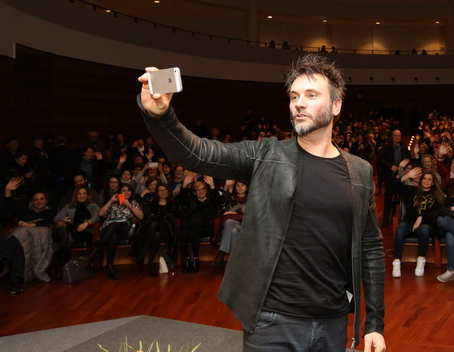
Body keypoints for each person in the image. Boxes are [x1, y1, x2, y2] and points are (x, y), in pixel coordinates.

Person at [137, 54, 385, 351]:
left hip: (333, 322)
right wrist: (161, 116)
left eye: (311, 95)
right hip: (273, 322)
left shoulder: (359, 171)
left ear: (336, 105)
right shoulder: (267, 155)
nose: (299, 103)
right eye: (294, 96)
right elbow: (198, 153)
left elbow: (370, 247)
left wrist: (374, 323)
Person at [391, 170, 442, 278]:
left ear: (433, 182)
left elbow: (437, 212)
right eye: (424, 178)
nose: (426, 181)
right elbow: (394, 186)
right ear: (421, 180)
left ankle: (421, 260)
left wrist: (421, 218)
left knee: (423, 229)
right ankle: (396, 262)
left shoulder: (437, 195)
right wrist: (406, 176)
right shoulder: (412, 190)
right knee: (400, 229)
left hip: (427, 224)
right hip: (409, 222)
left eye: (429, 179)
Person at [94, 183, 143, 280]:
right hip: (108, 229)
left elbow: (141, 216)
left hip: (124, 229)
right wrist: (111, 201)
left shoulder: (133, 203)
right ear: (119, 193)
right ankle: (110, 267)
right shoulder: (113, 203)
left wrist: (128, 205)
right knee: (113, 235)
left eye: (128, 190)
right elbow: (100, 214)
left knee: (115, 224)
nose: (126, 192)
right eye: (123, 190)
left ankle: (96, 250)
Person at [130, 183, 177, 277]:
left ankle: (142, 254)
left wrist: (155, 217)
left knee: (154, 224)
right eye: (161, 190)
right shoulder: (152, 203)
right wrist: (156, 217)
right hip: (152, 230)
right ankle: (150, 264)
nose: (163, 192)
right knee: (156, 235)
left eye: (165, 190)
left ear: (168, 191)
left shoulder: (172, 203)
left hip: (166, 229)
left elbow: (169, 218)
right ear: (157, 193)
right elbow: (147, 217)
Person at [178, 177, 221, 273]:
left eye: (202, 189)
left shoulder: (211, 201)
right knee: (183, 233)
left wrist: (212, 185)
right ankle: (187, 259)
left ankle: (196, 259)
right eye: (197, 190)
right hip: (190, 225)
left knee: (194, 232)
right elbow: (182, 198)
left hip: (206, 227)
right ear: (194, 192)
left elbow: (217, 200)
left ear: (206, 190)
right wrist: (184, 185)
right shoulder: (191, 201)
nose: (200, 191)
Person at [53, 186, 100, 271]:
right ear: (75, 195)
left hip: (84, 231)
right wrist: (63, 219)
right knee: (60, 224)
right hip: (70, 230)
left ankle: (64, 266)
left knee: (62, 240)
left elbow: (97, 216)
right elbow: (56, 219)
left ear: (88, 195)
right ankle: (65, 264)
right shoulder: (68, 207)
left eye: (84, 193)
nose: (82, 196)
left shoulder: (92, 206)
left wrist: (86, 223)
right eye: (79, 194)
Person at [378, 129, 411, 227]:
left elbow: (409, 159)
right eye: (395, 135)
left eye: (399, 136)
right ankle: (386, 220)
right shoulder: (386, 147)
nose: (397, 137)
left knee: (398, 199)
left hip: (401, 178)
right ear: (392, 136)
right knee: (388, 198)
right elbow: (380, 159)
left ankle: (396, 219)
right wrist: (390, 166)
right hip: (389, 177)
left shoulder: (404, 148)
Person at [213, 180, 248, 266]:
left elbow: (251, 217)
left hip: (245, 227)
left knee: (228, 222)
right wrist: (226, 186)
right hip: (231, 228)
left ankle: (221, 253)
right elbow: (222, 201)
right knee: (234, 231)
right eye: (238, 185)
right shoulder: (231, 199)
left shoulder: (251, 200)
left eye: (243, 185)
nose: (240, 187)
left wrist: (234, 214)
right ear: (235, 188)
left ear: (246, 188)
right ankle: (234, 261)